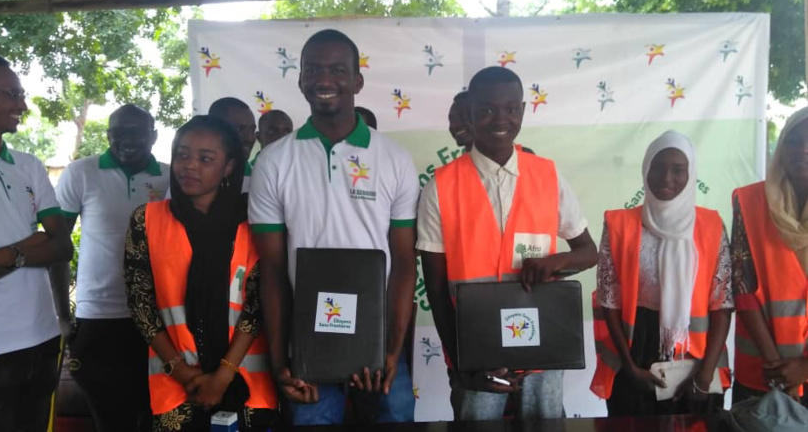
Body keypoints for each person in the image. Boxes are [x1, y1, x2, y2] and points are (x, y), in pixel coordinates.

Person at [250, 29, 418, 425]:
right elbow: (272, 271)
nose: (325, 80)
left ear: (357, 81)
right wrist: (281, 362)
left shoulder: (394, 158)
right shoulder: (273, 162)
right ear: (301, 79)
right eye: (314, 70)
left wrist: (393, 350)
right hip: (308, 346)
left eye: (337, 70)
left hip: (378, 347)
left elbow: (405, 263)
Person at [417, 66, 598, 421]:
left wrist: (555, 262)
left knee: (545, 423)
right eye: (486, 109)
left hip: (541, 341)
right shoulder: (439, 187)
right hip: (478, 348)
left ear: (523, 111)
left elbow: (588, 251)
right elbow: (436, 290)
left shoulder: (547, 174)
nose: (500, 118)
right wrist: (462, 362)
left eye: (511, 109)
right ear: (469, 114)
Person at [124, 115, 278, 431]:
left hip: (247, 382)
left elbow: (258, 303)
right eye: (182, 154)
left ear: (229, 167)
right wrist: (183, 372)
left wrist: (223, 375)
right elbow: (140, 303)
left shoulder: (255, 220)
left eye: (205, 158)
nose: (189, 165)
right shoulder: (147, 220)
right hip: (177, 383)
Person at [591, 130, 733, 416]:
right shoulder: (619, 224)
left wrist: (705, 375)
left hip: (698, 353)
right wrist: (630, 367)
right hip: (635, 348)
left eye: (678, 170)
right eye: (658, 167)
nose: (666, 178)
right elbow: (610, 301)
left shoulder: (711, 225)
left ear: (690, 173)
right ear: (646, 169)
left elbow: (722, 304)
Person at [54, 104, 168, 432]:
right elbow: (58, 249)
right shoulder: (81, 172)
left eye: (138, 132)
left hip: (154, 317)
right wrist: (63, 314)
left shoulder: (169, 175)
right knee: (108, 416)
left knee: (154, 413)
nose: (127, 140)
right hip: (97, 318)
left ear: (154, 136)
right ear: (108, 135)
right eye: (119, 132)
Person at [0, 53, 73, 430]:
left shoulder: (28, 165)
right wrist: (28, 250)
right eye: (11, 94)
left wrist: (6, 256)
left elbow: (62, 246)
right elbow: (47, 243)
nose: (22, 105)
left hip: (42, 337)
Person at [732, 107, 808, 405]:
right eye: (793, 140)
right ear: (781, 147)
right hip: (763, 369)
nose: (802, 149)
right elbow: (742, 285)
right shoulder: (750, 201)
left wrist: (803, 368)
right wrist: (778, 366)